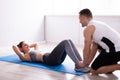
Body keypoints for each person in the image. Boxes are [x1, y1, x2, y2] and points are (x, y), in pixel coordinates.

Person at [78, 8, 120, 75]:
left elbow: (87, 48)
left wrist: (83, 63)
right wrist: (87, 63)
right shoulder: (97, 24)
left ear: (84, 17)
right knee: (99, 47)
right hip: (117, 49)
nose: (79, 21)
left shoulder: (88, 29)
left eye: (80, 18)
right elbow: (94, 47)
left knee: (93, 71)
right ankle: (112, 64)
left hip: (116, 50)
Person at [12, 40, 90, 72]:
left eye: (27, 44)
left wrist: (26, 46)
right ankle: (79, 66)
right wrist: (20, 49)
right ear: (21, 49)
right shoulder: (26, 56)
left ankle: (82, 63)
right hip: (49, 59)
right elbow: (14, 47)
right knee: (65, 42)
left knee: (69, 40)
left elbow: (36, 43)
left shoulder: (33, 50)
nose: (28, 45)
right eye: (25, 45)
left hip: (55, 59)